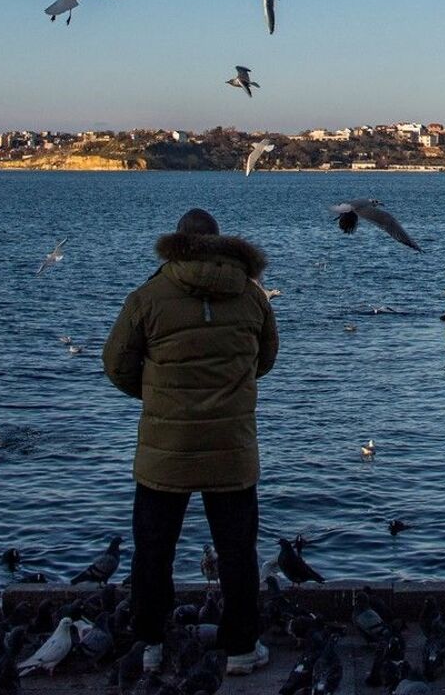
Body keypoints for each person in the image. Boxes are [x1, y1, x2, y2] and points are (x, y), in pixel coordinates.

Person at [102, 207, 278, 676]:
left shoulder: (149, 296)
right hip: (231, 447)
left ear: (177, 243)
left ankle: (150, 642)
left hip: (167, 448)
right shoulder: (252, 297)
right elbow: (266, 359)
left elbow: (116, 364)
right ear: (221, 244)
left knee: (154, 550)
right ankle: (241, 646)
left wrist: (161, 394)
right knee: (238, 550)